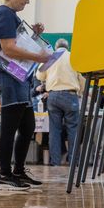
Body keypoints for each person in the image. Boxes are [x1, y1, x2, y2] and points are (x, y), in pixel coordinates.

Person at [0, 0, 49, 191]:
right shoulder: (4, 13)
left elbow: (17, 42)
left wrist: (34, 36)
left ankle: (18, 171)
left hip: (18, 77)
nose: (27, 1)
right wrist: (39, 57)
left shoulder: (10, 15)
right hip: (7, 76)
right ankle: (4, 174)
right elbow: (8, 48)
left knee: (27, 126)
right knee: (9, 126)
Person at [35, 38, 85, 166]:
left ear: (56, 47)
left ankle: (55, 161)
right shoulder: (73, 57)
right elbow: (82, 78)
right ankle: (74, 161)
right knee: (73, 129)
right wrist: (80, 93)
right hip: (70, 95)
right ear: (67, 47)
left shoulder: (51, 56)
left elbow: (39, 75)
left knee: (54, 130)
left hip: (53, 96)